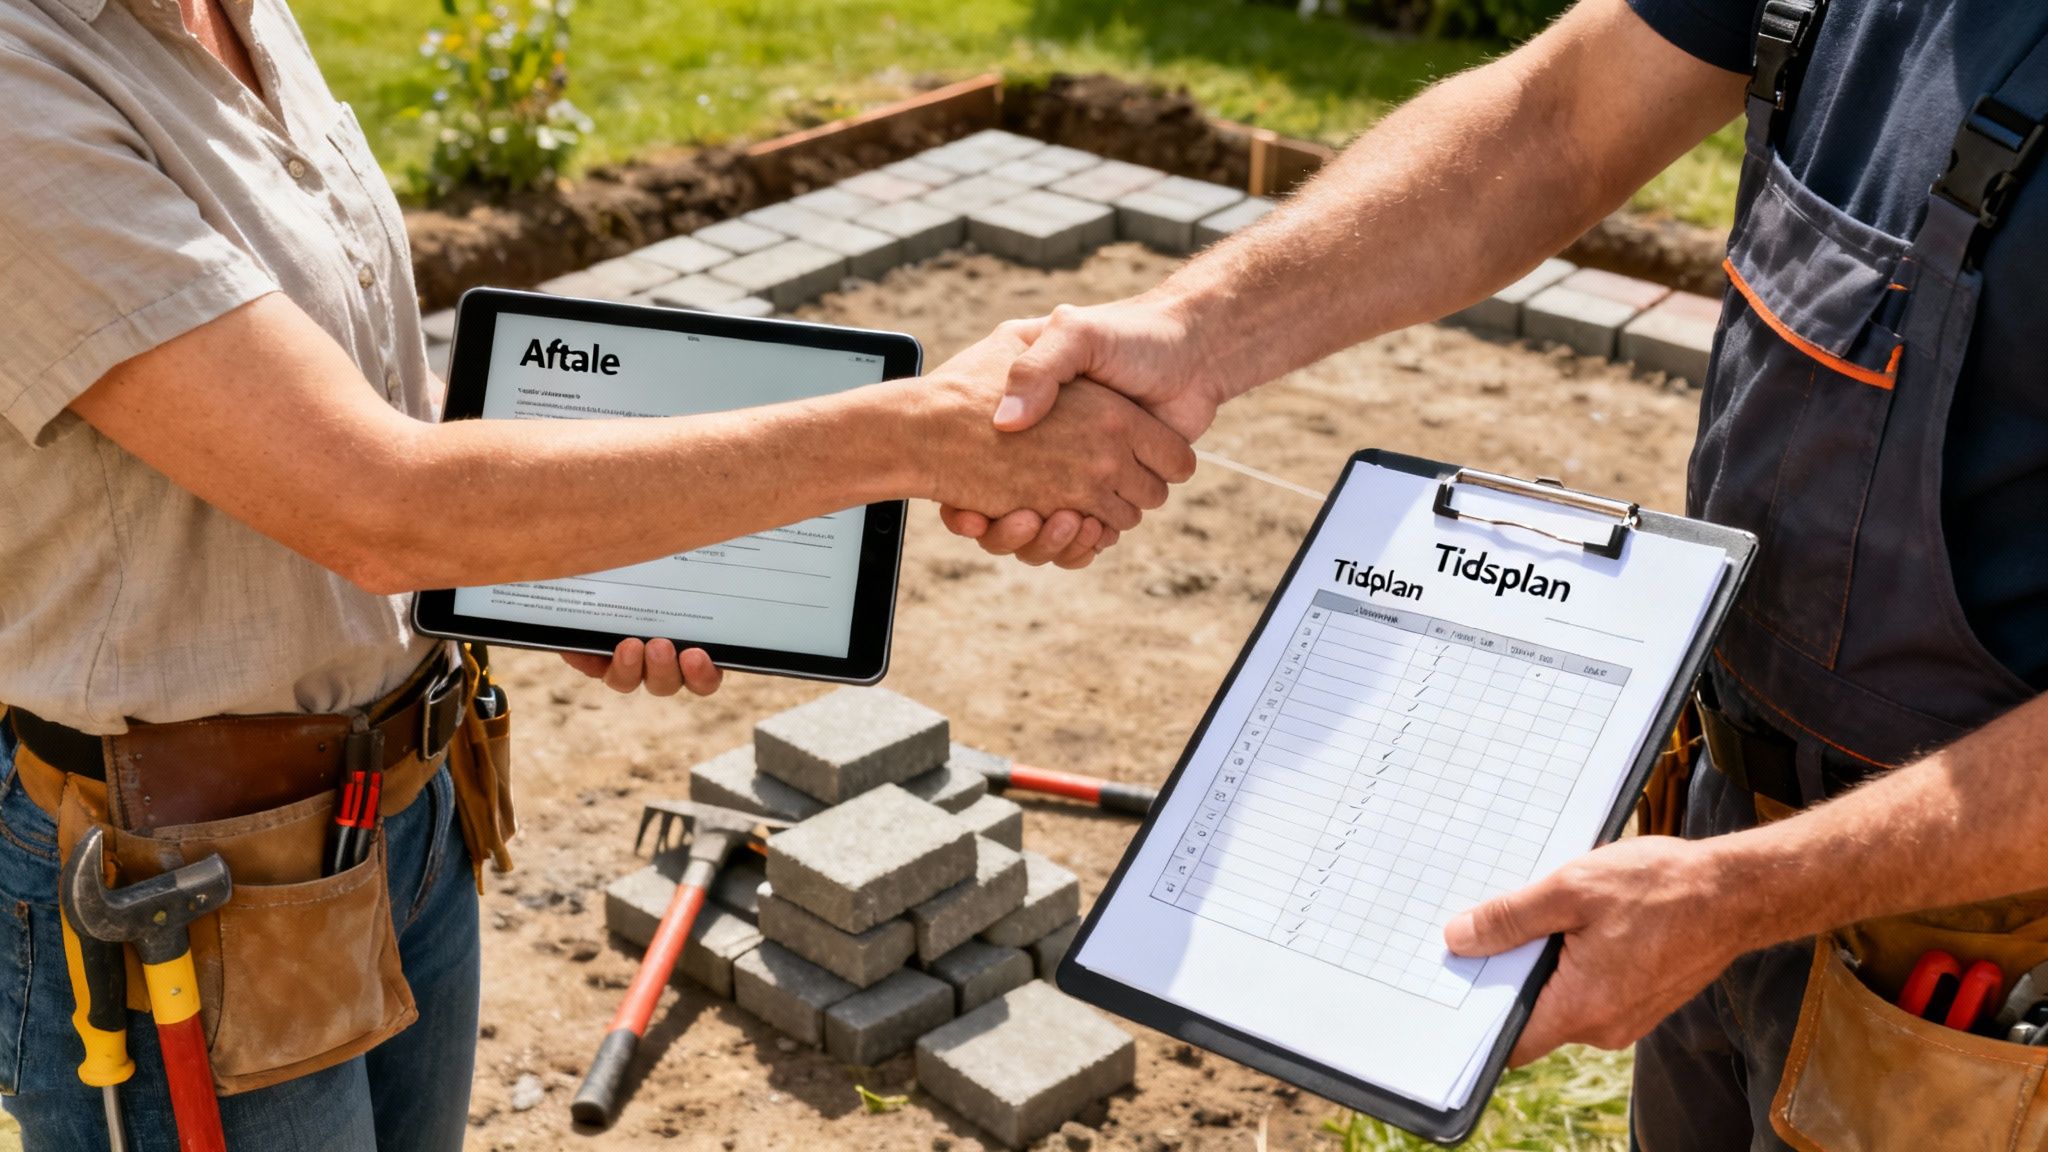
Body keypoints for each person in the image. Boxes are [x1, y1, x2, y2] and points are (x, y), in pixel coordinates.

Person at [0, 0, 1195, 1145]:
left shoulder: (235, 15)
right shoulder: (25, 77)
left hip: (407, 806)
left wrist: (552, 558)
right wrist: (919, 431)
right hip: (178, 882)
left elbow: (330, 396)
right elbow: (375, 502)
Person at [948, 0, 2048, 1145]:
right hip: (1716, 826)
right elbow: (1555, 120)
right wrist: (1193, 327)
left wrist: (1750, 893)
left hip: (1977, 944)